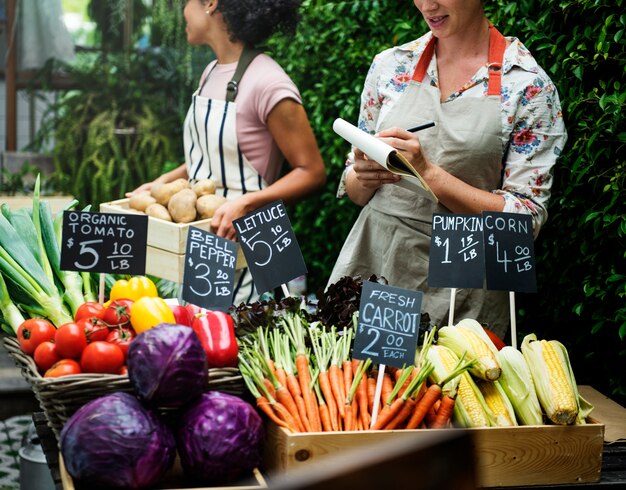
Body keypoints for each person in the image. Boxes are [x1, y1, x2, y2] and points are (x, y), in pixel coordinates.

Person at [328, 0, 567, 340]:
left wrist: (429, 173)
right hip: (378, 264)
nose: (428, 4)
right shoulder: (390, 65)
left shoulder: (527, 86)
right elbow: (354, 190)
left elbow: (524, 224)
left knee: (445, 387)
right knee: (364, 389)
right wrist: (363, 175)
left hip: (462, 284)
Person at [129, 0, 326, 305]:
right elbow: (209, 156)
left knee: (234, 339)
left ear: (210, 3)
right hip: (203, 246)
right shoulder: (211, 72)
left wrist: (246, 204)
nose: (182, 11)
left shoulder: (268, 83)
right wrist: (161, 183)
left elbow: (312, 172)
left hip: (246, 249)